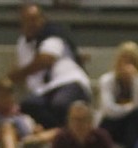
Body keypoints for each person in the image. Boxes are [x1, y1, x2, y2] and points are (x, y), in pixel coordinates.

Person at [10, 3, 92, 131]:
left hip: (69, 82)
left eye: (34, 19)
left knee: (60, 105)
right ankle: (59, 132)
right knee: (28, 105)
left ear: (42, 20)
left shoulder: (53, 34)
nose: (31, 24)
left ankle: (62, 133)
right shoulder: (22, 43)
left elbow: (45, 59)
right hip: (45, 90)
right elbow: (21, 67)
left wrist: (17, 75)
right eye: (27, 20)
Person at [96, 41, 138, 148]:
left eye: (132, 61)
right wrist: (130, 108)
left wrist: (135, 80)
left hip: (133, 127)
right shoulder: (106, 80)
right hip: (111, 124)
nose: (127, 65)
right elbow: (109, 110)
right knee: (135, 115)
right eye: (125, 60)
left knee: (136, 120)